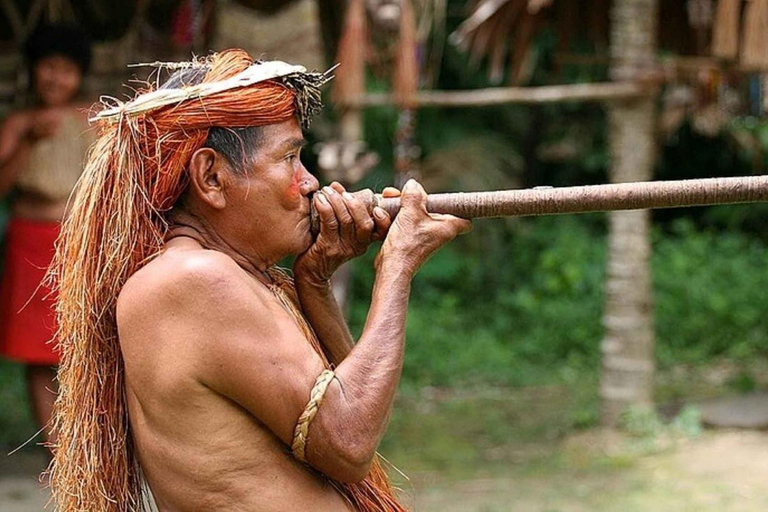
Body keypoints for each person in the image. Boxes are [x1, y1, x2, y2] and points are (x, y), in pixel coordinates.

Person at [49, 49, 470, 511]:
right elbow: (349, 443)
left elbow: (358, 411)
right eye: (290, 159)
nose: (310, 182)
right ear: (212, 177)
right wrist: (397, 267)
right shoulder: (196, 280)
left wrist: (313, 284)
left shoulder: (217, 276)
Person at [0, 24, 92, 452]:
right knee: (36, 350)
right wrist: (27, 141)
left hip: (75, 241)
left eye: (66, 70)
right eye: (48, 68)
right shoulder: (17, 123)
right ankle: (55, 450)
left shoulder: (92, 119)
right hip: (28, 242)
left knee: (79, 341)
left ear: (80, 75)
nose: (56, 78)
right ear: (34, 71)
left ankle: (85, 441)